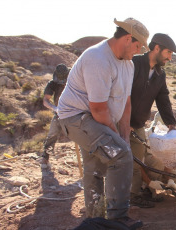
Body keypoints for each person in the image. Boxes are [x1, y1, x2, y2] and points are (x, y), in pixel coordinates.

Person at [57, 17, 149, 228]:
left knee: (97, 167)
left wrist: (124, 135)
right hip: (76, 118)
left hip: (96, 120)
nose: (138, 51)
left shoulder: (128, 64)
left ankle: (95, 221)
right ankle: (117, 219)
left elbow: (126, 102)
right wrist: (117, 139)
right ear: (127, 38)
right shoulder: (98, 58)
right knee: (121, 156)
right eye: (137, 46)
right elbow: (98, 109)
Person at [129, 33, 176, 208]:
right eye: (168, 53)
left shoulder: (159, 74)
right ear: (156, 48)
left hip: (138, 124)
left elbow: (163, 99)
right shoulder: (133, 64)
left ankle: (137, 192)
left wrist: (171, 124)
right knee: (124, 160)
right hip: (119, 122)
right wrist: (122, 121)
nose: (170, 58)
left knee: (138, 159)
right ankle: (127, 196)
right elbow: (119, 94)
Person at [39, 64, 69, 165]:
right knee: (52, 134)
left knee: (83, 134)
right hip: (59, 113)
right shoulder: (52, 84)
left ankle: (90, 161)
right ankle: (45, 157)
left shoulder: (74, 79)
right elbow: (45, 101)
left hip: (75, 111)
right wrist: (55, 108)